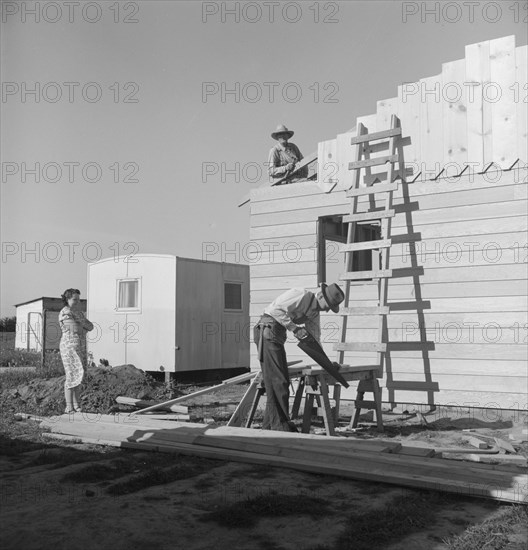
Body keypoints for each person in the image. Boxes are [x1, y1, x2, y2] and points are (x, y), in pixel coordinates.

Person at [253, 283, 345, 431]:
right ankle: (281, 427)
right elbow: (274, 311)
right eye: (327, 305)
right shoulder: (301, 295)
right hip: (268, 331)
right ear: (320, 295)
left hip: (276, 335)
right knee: (279, 382)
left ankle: (269, 427)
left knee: (275, 383)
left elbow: (314, 339)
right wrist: (294, 328)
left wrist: (326, 363)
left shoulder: (314, 313)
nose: (327, 309)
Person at [58, 288, 94, 414]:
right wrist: (82, 327)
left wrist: (82, 327)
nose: (78, 301)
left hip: (80, 347)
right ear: (67, 299)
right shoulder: (65, 312)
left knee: (79, 374)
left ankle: (77, 405)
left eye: (79, 299)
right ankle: (69, 407)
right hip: (69, 348)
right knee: (71, 375)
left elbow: (91, 326)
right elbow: (75, 328)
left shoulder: (78, 312)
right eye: (75, 299)